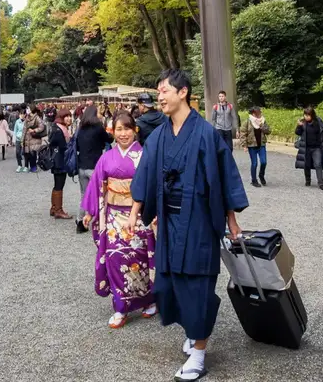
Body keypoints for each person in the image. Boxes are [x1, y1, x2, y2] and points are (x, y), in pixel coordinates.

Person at [131, 69, 248, 382]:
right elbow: (145, 173)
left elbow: (224, 177)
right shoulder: (158, 135)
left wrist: (232, 220)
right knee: (167, 286)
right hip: (169, 221)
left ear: (182, 92)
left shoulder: (206, 134)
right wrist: (136, 210)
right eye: (158, 93)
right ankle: (194, 330)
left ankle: (198, 353)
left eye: (164, 91)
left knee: (197, 285)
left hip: (197, 219)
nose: (160, 98)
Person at [81, 112, 158, 328]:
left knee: (141, 259)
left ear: (135, 130)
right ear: (112, 132)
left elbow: (152, 187)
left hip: (139, 216)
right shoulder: (107, 157)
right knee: (115, 259)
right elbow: (97, 185)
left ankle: (149, 300)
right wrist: (90, 212)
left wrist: (155, 213)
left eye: (127, 129)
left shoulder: (144, 156)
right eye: (119, 129)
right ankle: (120, 307)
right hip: (114, 217)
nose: (123, 134)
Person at [75, 105, 113, 234]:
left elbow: (78, 146)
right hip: (94, 166)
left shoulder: (80, 128)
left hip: (81, 166)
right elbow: (108, 139)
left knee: (84, 194)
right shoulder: (98, 128)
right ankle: (99, 221)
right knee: (99, 195)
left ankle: (80, 221)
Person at [295, 107, 323, 191]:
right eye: (305, 115)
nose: (306, 117)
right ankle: (308, 180)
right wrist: (299, 126)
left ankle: (321, 183)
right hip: (306, 147)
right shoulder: (302, 122)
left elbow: (322, 134)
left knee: (318, 164)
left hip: (316, 147)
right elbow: (297, 133)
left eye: (308, 115)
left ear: (312, 115)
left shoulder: (318, 122)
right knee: (306, 164)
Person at [47, 109, 73, 220]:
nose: (69, 118)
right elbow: (63, 146)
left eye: (69, 116)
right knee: (59, 185)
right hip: (59, 161)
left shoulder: (56, 127)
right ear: (61, 118)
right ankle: (58, 210)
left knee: (57, 184)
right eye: (66, 116)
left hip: (57, 160)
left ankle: (53, 207)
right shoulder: (59, 130)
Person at [240, 107, 271, 188]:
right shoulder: (247, 121)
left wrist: (262, 127)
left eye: (260, 113)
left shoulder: (263, 121)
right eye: (258, 113)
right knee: (254, 163)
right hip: (251, 146)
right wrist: (244, 145)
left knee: (264, 162)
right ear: (253, 113)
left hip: (262, 145)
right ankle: (254, 180)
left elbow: (268, 131)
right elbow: (243, 134)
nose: (260, 114)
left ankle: (261, 175)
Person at [23, 104, 46, 173]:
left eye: (28, 109)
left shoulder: (37, 117)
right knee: (29, 154)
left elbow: (42, 127)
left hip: (35, 138)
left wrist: (34, 130)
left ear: (31, 109)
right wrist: (22, 140)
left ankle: (34, 167)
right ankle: (32, 166)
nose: (27, 110)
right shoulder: (27, 118)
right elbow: (24, 129)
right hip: (28, 138)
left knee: (33, 153)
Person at [13, 108, 26, 172]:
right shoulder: (17, 121)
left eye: (23, 114)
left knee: (25, 153)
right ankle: (19, 165)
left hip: (25, 139)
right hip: (18, 139)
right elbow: (15, 131)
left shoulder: (26, 121)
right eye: (21, 114)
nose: (22, 115)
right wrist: (13, 139)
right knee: (17, 152)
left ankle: (26, 166)